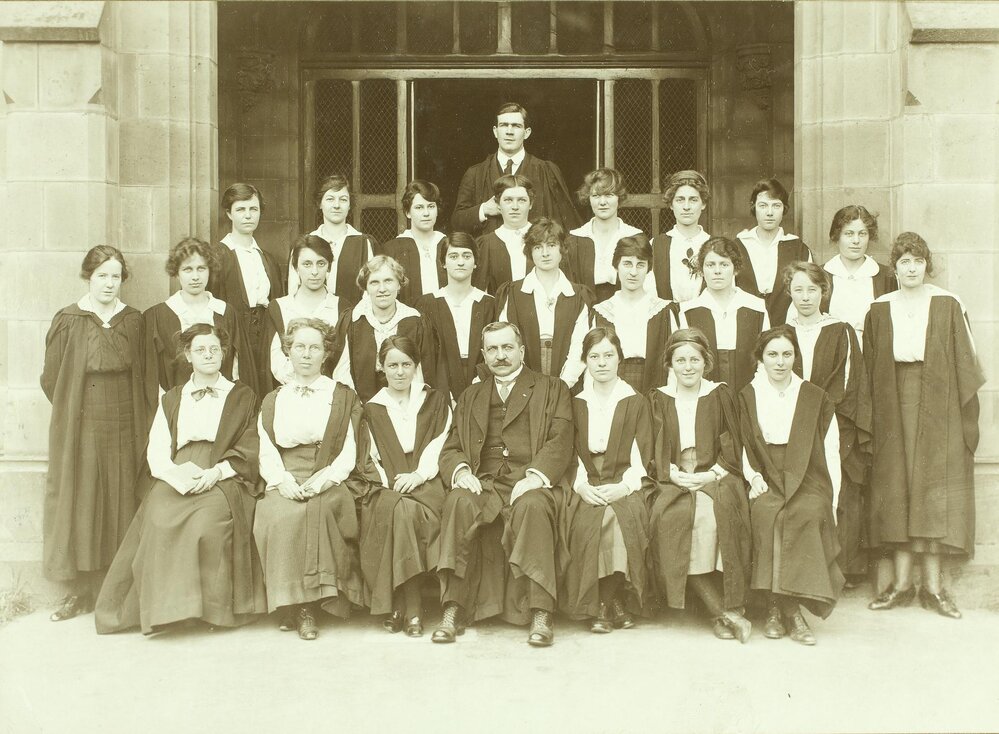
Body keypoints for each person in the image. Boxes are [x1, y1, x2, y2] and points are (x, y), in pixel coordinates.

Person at [95, 324, 267, 633]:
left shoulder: (242, 395)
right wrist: (174, 477)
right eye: (200, 349)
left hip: (224, 472)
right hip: (179, 470)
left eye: (214, 349)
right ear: (188, 355)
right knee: (159, 518)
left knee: (206, 523)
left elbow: (250, 445)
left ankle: (208, 612)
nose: (209, 355)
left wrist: (217, 472)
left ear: (224, 353)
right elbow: (158, 450)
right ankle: (165, 613)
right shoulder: (174, 398)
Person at [864, 233, 984, 619]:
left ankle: (934, 588)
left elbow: (966, 364)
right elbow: (869, 364)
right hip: (892, 399)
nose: (911, 268)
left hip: (939, 400)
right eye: (903, 262)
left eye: (917, 261)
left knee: (931, 488)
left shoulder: (947, 303)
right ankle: (900, 585)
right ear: (894, 267)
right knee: (896, 487)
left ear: (926, 265)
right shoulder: (880, 307)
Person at [433, 321, 573, 647]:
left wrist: (536, 475)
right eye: (493, 349)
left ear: (522, 350)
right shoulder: (471, 396)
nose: (500, 355)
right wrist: (462, 471)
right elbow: (452, 446)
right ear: (483, 354)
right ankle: (453, 607)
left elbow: (561, 440)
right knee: (458, 501)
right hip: (486, 483)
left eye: (507, 347)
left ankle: (540, 612)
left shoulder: (552, 389)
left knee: (534, 507)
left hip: (531, 481)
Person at [41, 246, 149, 622]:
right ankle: (81, 591)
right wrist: (75, 412)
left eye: (115, 276)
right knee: (85, 497)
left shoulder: (133, 320)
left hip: (126, 421)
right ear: (88, 276)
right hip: (83, 422)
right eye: (102, 275)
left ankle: (114, 587)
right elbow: (52, 378)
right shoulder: (70, 319)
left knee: (121, 496)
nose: (108, 283)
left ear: (123, 280)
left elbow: (147, 376)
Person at [253, 318, 370, 640]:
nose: (306, 354)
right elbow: (265, 448)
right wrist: (281, 480)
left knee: (315, 511)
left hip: (329, 474)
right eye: (299, 347)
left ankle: (308, 608)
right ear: (288, 352)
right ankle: (291, 604)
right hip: (286, 473)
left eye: (314, 347)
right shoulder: (274, 399)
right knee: (278, 514)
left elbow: (349, 449)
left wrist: (325, 479)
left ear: (326, 353)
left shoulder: (342, 395)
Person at [739, 326, 844, 645]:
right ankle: (780, 608)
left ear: (796, 357)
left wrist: (833, 497)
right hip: (766, 473)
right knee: (767, 512)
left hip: (809, 475)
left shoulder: (814, 395)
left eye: (787, 354)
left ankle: (787, 607)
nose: (780, 362)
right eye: (772, 354)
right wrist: (753, 477)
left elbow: (830, 448)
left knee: (806, 512)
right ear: (760, 358)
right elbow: (743, 445)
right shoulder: (749, 395)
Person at [647, 329, 752, 642]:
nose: (688, 366)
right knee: (674, 518)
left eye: (695, 359)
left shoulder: (720, 393)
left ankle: (723, 608)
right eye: (680, 360)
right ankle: (721, 613)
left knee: (712, 514)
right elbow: (651, 446)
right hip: (673, 476)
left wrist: (712, 473)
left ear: (706, 363)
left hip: (716, 474)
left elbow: (734, 442)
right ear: (670, 364)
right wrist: (672, 472)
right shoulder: (659, 398)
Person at [560, 327, 653, 633]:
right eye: (594, 356)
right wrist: (583, 486)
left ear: (619, 358)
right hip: (586, 482)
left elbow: (642, 455)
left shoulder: (635, 400)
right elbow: (570, 454)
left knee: (618, 514)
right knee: (589, 520)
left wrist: (625, 486)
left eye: (608, 355)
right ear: (585, 361)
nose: (602, 363)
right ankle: (614, 605)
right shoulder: (576, 403)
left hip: (624, 480)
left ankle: (602, 604)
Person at [785, 262, 872, 582]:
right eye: (798, 290)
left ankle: (839, 568)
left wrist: (822, 417)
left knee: (839, 488)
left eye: (812, 290)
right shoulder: (782, 334)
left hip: (833, 423)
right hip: (789, 423)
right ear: (789, 292)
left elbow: (849, 383)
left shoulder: (841, 331)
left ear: (824, 291)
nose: (805, 297)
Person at [360, 336, 451, 637]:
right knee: (399, 510)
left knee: (404, 513)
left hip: (428, 481)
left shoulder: (435, 400)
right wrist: (390, 483)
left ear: (416, 366)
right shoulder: (372, 408)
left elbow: (441, 443)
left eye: (406, 364)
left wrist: (419, 475)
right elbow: (370, 455)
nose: (399, 372)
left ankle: (403, 605)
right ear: (381, 367)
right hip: (388, 484)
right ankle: (410, 609)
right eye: (392, 365)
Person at [144, 237, 256, 408]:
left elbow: (239, 367)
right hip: (176, 407)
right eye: (188, 269)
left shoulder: (226, 312)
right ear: (177, 272)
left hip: (221, 405)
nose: (195, 276)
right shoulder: (157, 315)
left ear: (209, 270)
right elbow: (152, 375)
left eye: (201, 268)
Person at [451, 102, 580, 236]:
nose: (509, 131)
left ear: (527, 132)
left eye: (516, 126)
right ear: (495, 131)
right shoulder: (475, 173)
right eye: (504, 125)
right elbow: (457, 222)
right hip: (490, 254)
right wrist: (484, 209)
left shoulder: (546, 171)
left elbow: (564, 223)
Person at [208, 183, 286, 400]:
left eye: (253, 209)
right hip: (234, 334)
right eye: (241, 210)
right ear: (229, 213)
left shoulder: (267, 258)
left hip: (265, 334)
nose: (248, 216)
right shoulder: (218, 256)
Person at [497, 218, 590, 391]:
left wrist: (562, 386)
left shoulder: (578, 295)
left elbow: (581, 346)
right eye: (538, 247)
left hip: (567, 381)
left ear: (562, 249)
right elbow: (507, 340)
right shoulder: (514, 292)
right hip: (522, 381)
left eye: (552, 245)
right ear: (530, 252)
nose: (545, 253)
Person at [331, 256, 437, 403]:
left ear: (399, 285)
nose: (382, 289)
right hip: (360, 405)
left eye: (388, 281)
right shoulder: (352, 320)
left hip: (405, 404)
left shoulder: (415, 321)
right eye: (374, 282)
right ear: (366, 287)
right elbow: (341, 372)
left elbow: (421, 373)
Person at [679, 237, 770, 395]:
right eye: (710, 265)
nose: (717, 271)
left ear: (735, 269)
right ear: (701, 269)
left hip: (750, 393)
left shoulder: (756, 307)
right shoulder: (689, 311)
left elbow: (765, 358)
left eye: (724, 264)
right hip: (704, 395)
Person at [416, 232, 498, 403]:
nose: (460, 262)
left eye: (467, 256)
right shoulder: (428, 303)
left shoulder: (489, 304)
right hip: (440, 378)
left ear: (476, 262)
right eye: (453, 256)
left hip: (481, 378)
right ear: (443, 263)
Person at [592, 236, 680, 393]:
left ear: (648, 268)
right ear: (616, 266)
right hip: (613, 385)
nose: (633, 272)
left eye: (640, 265)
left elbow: (676, 359)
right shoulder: (602, 311)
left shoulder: (664, 310)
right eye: (627, 264)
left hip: (654, 386)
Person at [265, 234, 345, 385]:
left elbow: (345, 360)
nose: (314, 272)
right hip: (289, 390)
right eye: (307, 264)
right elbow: (275, 358)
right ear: (296, 267)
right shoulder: (279, 308)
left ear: (329, 266)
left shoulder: (341, 307)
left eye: (321, 264)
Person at [733, 178, 812, 326]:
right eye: (763, 206)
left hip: (787, 323)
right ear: (753, 207)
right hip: (745, 323)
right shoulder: (737, 246)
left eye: (776, 206)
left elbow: (808, 289)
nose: (769, 212)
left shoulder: (797, 248)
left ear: (784, 209)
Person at [296, 174, 378, 308]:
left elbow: (371, 291)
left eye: (343, 199)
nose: (336, 205)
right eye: (330, 199)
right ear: (320, 203)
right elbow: (294, 289)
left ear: (350, 204)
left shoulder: (364, 243)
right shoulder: (305, 243)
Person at [564, 168, 645, 303]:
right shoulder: (575, 239)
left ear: (619, 197)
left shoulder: (634, 236)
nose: (602, 202)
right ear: (588, 198)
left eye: (609, 195)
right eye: (596, 196)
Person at [821, 205, 897, 345]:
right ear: (837, 236)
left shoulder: (886, 276)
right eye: (849, 234)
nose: (856, 241)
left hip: (872, 354)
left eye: (862, 234)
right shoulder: (821, 275)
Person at [376, 180, 448, 306]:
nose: (426, 213)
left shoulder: (448, 245)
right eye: (419, 207)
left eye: (431, 206)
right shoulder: (392, 249)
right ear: (408, 213)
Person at [648, 170, 711, 303]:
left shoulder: (714, 245)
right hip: (668, 319)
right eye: (680, 200)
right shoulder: (655, 245)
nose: (686, 207)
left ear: (703, 204)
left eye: (693, 200)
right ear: (671, 204)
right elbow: (648, 294)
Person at [473, 174, 535, 294]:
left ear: (531, 204)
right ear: (498, 205)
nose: (515, 207)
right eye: (508, 200)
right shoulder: (485, 244)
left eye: (522, 200)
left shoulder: (545, 239)